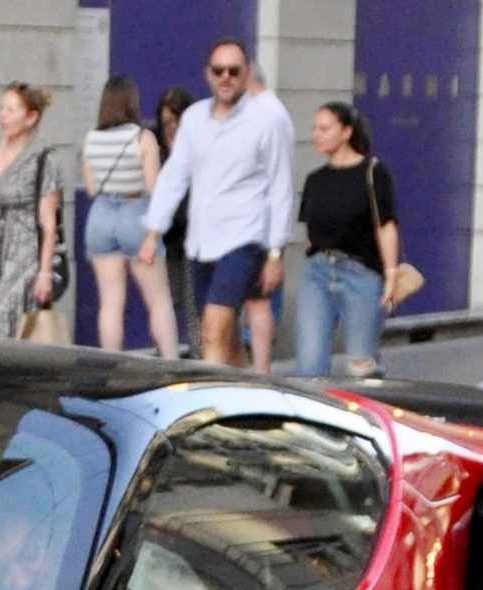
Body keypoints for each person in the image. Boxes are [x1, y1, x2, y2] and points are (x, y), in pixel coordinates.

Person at [139, 38, 292, 370]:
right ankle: (247, 392)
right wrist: (153, 231)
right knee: (227, 335)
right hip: (202, 241)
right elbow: (174, 175)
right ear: (207, 74)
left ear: (246, 73)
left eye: (234, 71)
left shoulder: (267, 120)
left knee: (211, 330)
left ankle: (210, 408)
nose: (226, 77)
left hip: (244, 238)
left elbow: (281, 187)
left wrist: (276, 252)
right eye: (219, 70)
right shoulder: (194, 118)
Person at [291, 101, 400, 378]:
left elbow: (385, 226)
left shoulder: (373, 172)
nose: (317, 134)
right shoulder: (315, 180)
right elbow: (309, 232)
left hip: (360, 274)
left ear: (346, 131)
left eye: (325, 128)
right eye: (314, 128)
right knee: (308, 366)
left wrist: (391, 275)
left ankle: (367, 420)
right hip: (318, 272)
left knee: (361, 367)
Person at [78, 75, 180, 355]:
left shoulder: (91, 139)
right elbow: (153, 188)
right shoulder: (142, 137)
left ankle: (112, 365)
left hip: (100, 217)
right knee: (158, 301)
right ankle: (171, 364)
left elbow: (91, 187)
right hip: (135, 214)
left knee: (110, 303)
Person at [0, 81, 63, 339]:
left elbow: (48, 222)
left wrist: (44, 272)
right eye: (1, 109)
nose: (3, 116)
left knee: (4, 322)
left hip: (22, 252)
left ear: (31, 117)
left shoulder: (43, 156)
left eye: (11, 110)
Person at [156, 85, 198, 355]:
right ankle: (167, 353)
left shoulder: (198, 144)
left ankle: (200, 352)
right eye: (166, 122)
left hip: (195, 233)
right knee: (170, 297)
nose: (170, 128)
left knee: (195, 301)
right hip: (170, 234)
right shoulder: (159, 147)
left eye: (175, 121)